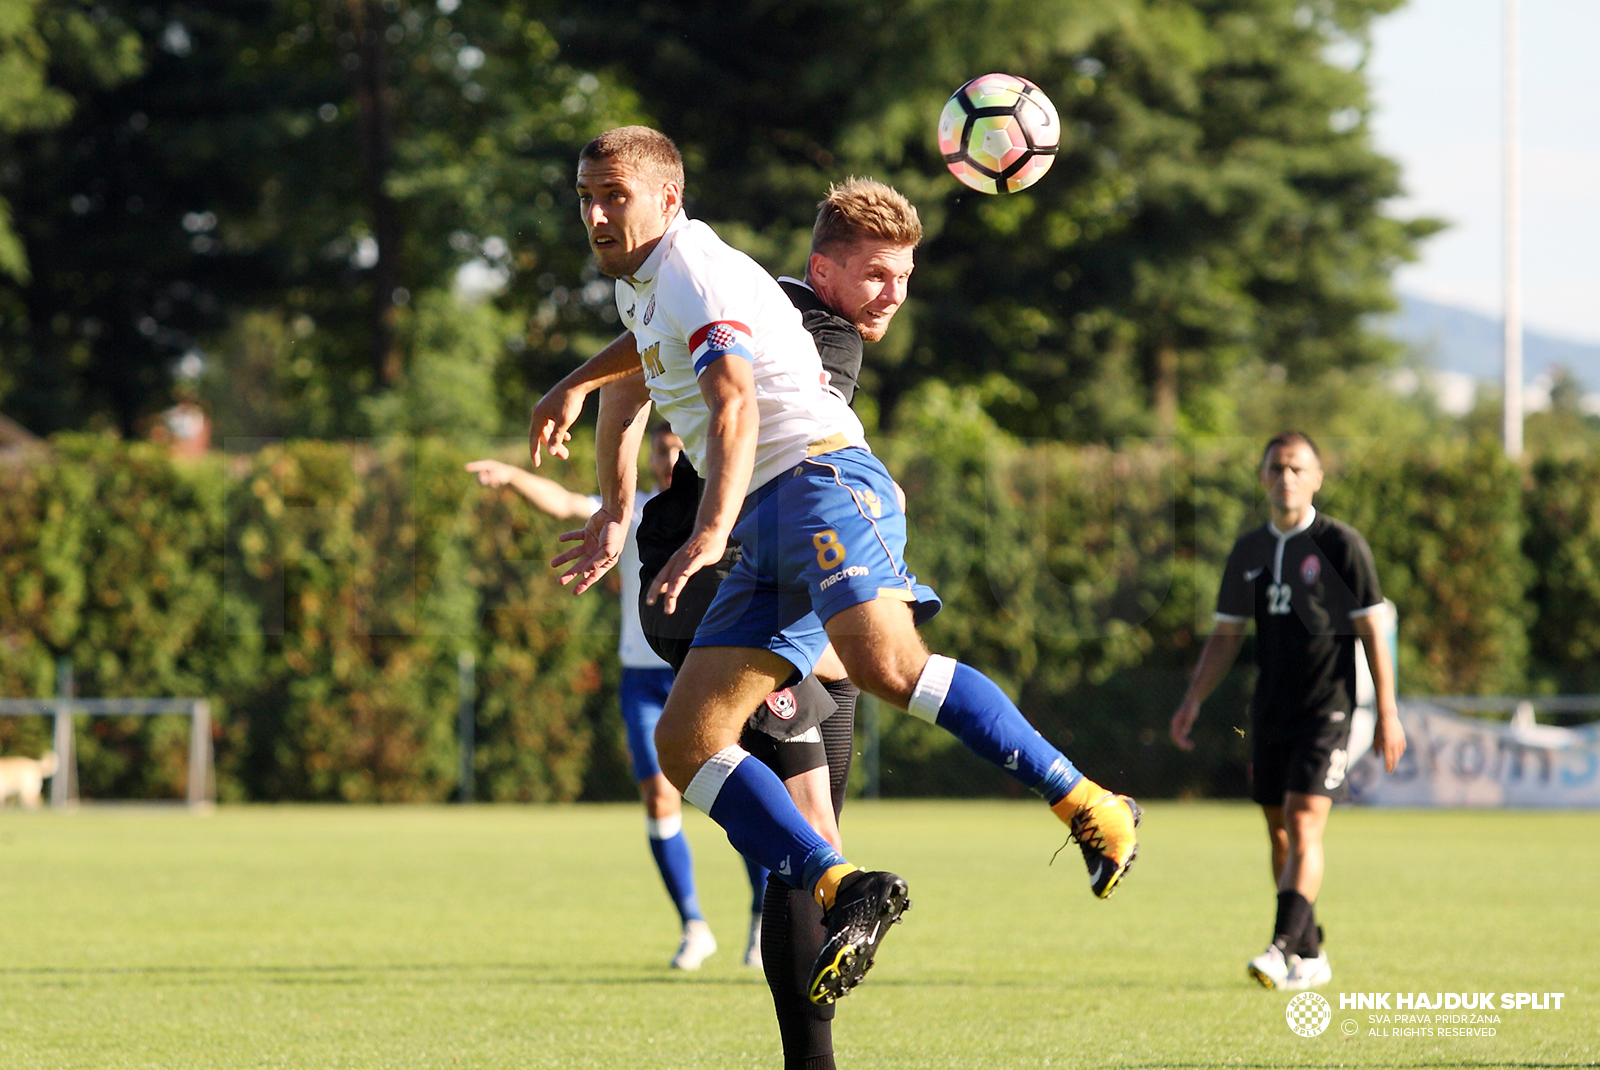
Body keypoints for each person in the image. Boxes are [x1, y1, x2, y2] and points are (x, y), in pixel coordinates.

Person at [530, 125, 1142, 1010]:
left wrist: (707, 529)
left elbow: (733, 399)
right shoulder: (646, 283)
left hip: (817, 484)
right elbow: (642, 369)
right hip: (766, 519)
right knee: (687, 742)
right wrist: (594, 433)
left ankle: (1088, 802)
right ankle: (841, 884)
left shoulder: (693, 265)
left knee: (884, 667)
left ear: (668, 198)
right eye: (585, 196)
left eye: (612, 195)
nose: (593, 213)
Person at [630, 175, 917, 1070]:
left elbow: (630, 371)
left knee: (815, 839)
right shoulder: (816, 334)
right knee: (811, 830)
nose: (893, 295)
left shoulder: (743, 297)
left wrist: (608, 496)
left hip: (787, 597)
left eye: (905, 277)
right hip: (728, 588)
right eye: (875, 275)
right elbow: (769, 446)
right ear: (821, 270)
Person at [466, 426, 768, 970]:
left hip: (707, 672)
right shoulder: (634, 511)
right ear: (649, 455)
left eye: (678, 446)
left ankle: (761, 919)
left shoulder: (724, 511)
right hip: (643, 678)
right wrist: (512, 476)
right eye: (660, 447)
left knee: (741, 795)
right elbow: (563, 503)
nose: (669, 456)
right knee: (659, 798)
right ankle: (694, 926)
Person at [1169, 432, 1406, 991]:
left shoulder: (1342, 545)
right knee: (1279, 834)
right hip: (1270, 710)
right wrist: (1193, 699)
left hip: (1328, 708)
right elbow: (1226, 635)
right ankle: (1312, 953)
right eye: (1276, 468)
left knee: (1303, 822)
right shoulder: (1248, 550)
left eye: (1298, 468)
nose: (1286, 478)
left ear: (1317, 478)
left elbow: (1372, 627)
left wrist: (1389, 711)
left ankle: (1279, 948)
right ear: (1263, 477)